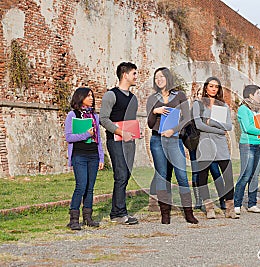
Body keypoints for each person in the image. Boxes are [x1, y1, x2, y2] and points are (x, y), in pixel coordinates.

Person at [146, 67, 198, 224]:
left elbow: (187, 118)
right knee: (162, 176)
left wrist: (173, 130)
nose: (159, 80)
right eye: (156, 78)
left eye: (161, 76)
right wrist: (155, 111)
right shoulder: (152, 99)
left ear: (168, 78)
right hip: (157, 140)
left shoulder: (179, 95)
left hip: (174, 139)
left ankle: (188, 212)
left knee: (181, 175)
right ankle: (165, 213)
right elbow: (150, 124)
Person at [193, 76, 238, 219]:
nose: (213, 89)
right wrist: (219, 129)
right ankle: (209, 208)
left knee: (228, 176)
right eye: (211, 86)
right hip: (205, 144)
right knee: (202, 177)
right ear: (206, 87)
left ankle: (230, 209)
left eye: (216, 87)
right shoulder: (198, 104)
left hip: (221, 145)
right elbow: (198, 125)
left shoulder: (223, 106)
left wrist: (211, 122)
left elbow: (228, 127)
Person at [99, 62, 139, 225]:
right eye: (134, 73)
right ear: (125, 75)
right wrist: (121, 132)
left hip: (130, 141)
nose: (136, 76)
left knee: (126, 174)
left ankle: (116, 211)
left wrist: (136, 132)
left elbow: (130, 120)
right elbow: (103, 119)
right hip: (115, 141)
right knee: (121, 175)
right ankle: (120, 213)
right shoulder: (111, 95)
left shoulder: (134, 98)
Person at [65, 87, 105, 230]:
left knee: (90, 188)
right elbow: (68, 137)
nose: (91, 98)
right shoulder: (72, 115)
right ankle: (74, 219)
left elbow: (99, 139)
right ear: (80, 97)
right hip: (79, 155)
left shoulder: (95, 116)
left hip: (93, 155)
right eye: (88, 96)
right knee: (81, 186)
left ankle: (88, 217)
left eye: (92, 96)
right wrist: (85, 134)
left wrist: (101, 158)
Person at [234, 85, 260, 215]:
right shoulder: (243, 109)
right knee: (245, 175)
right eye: (257, 93)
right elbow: (247, 128)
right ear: (250, 95)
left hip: (259, 145)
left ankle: (252, 204)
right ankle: (237, 204)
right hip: (248, 146)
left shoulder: (255, 110)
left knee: (255, 176)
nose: (259, 96)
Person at [189, 88, 225, 210]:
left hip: (210, 144)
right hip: (195, 144)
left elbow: (221, 126)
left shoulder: (214, 108)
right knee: (196, 173)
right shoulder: (194, 107)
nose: (201, 97)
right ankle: (199, 200)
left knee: (216, 171)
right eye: (199, 94)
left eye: (202, 94)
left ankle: (222, 200)